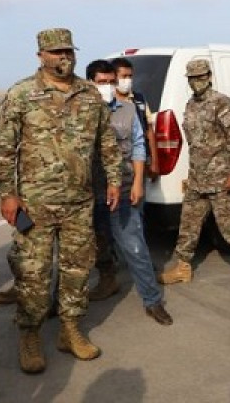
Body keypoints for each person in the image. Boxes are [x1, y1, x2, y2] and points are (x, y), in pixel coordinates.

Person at [0, 28, 122, 374]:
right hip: (35, 203)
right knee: (34, 274)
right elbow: (3, 149)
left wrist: (113, 180)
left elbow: (106, 141)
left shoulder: (90, 94)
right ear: (40, 56)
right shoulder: (21, 94)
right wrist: (7, 194)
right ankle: (30, 334)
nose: (63, 57)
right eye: (55, 52)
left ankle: (70, 329)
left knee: (77, 271)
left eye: (68, 51)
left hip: (79, 202)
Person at [158, 57, 230, 289]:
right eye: (193, 78)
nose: (197, 82)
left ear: (209, 77)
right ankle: (183, 267)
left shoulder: (221, 102)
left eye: (201, 77)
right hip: (197, 178)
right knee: (188, 224)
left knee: (229, 227)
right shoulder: (190, 105)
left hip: (221, 177)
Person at [86, 60, 172, 325]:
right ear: (90, 83)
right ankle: (59, 302)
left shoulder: (127, 109)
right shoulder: (80, 112)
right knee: (76, 252)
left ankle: (152, 300)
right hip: (87, 194)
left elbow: (138, 145)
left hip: (122, 191)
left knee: (135, 248)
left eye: (111, 82)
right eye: (102, 82)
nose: (108, 87)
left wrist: (137, 183)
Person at [109, 57, 159, 181]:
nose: (128, 80)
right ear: (114, 77)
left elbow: (149, 131)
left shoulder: (139, 99)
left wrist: (154, 161)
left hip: (138, 159)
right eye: (124, 76)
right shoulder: (108, 100)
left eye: (130, 76)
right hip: (115, 161)